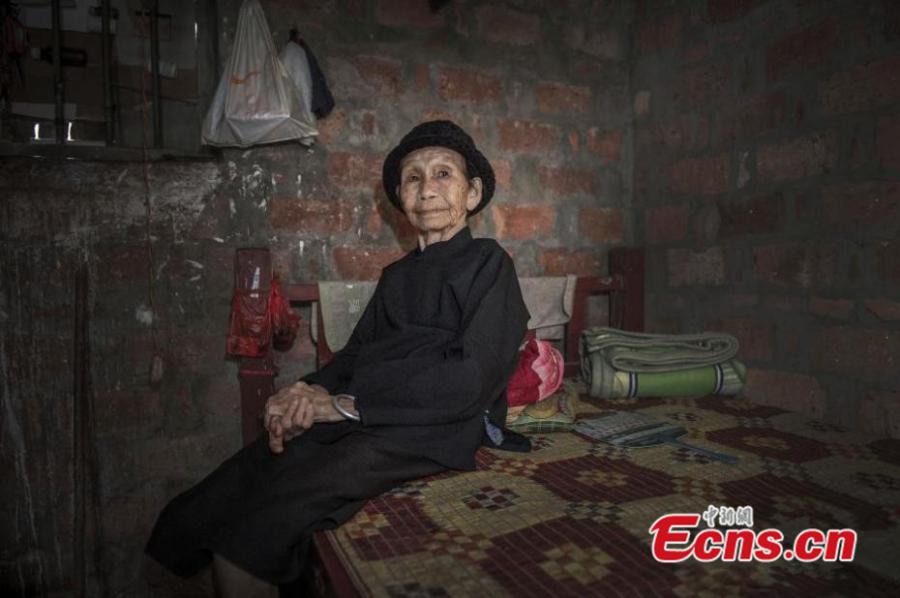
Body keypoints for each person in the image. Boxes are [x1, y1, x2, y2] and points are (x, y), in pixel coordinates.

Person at [145, 120, 530, 597]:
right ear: (400, 196)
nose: (427, 188)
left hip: (434, 425)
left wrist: (347, 407)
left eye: (443, 174)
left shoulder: (489, 263)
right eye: (413, 177)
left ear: (472, 194)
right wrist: (305, 391)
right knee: (218, 495)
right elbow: (355, 357)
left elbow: (472, 377)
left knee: (253, 532)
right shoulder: (396, 277)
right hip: (370, 412)